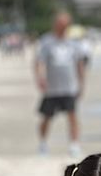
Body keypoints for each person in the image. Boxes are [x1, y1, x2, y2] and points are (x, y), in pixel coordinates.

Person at [34, 11, 87, 157]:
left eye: (66, 25)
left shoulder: (74, 43)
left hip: (69, 87)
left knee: (72, 116)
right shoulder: (46, 42)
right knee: (47, 117)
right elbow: (39, 62)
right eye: (60, 24)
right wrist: (40, 78)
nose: (63, 27)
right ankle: (43, 144)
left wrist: (82, 84)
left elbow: (80, 64)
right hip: (52, 88)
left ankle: (74, 145)